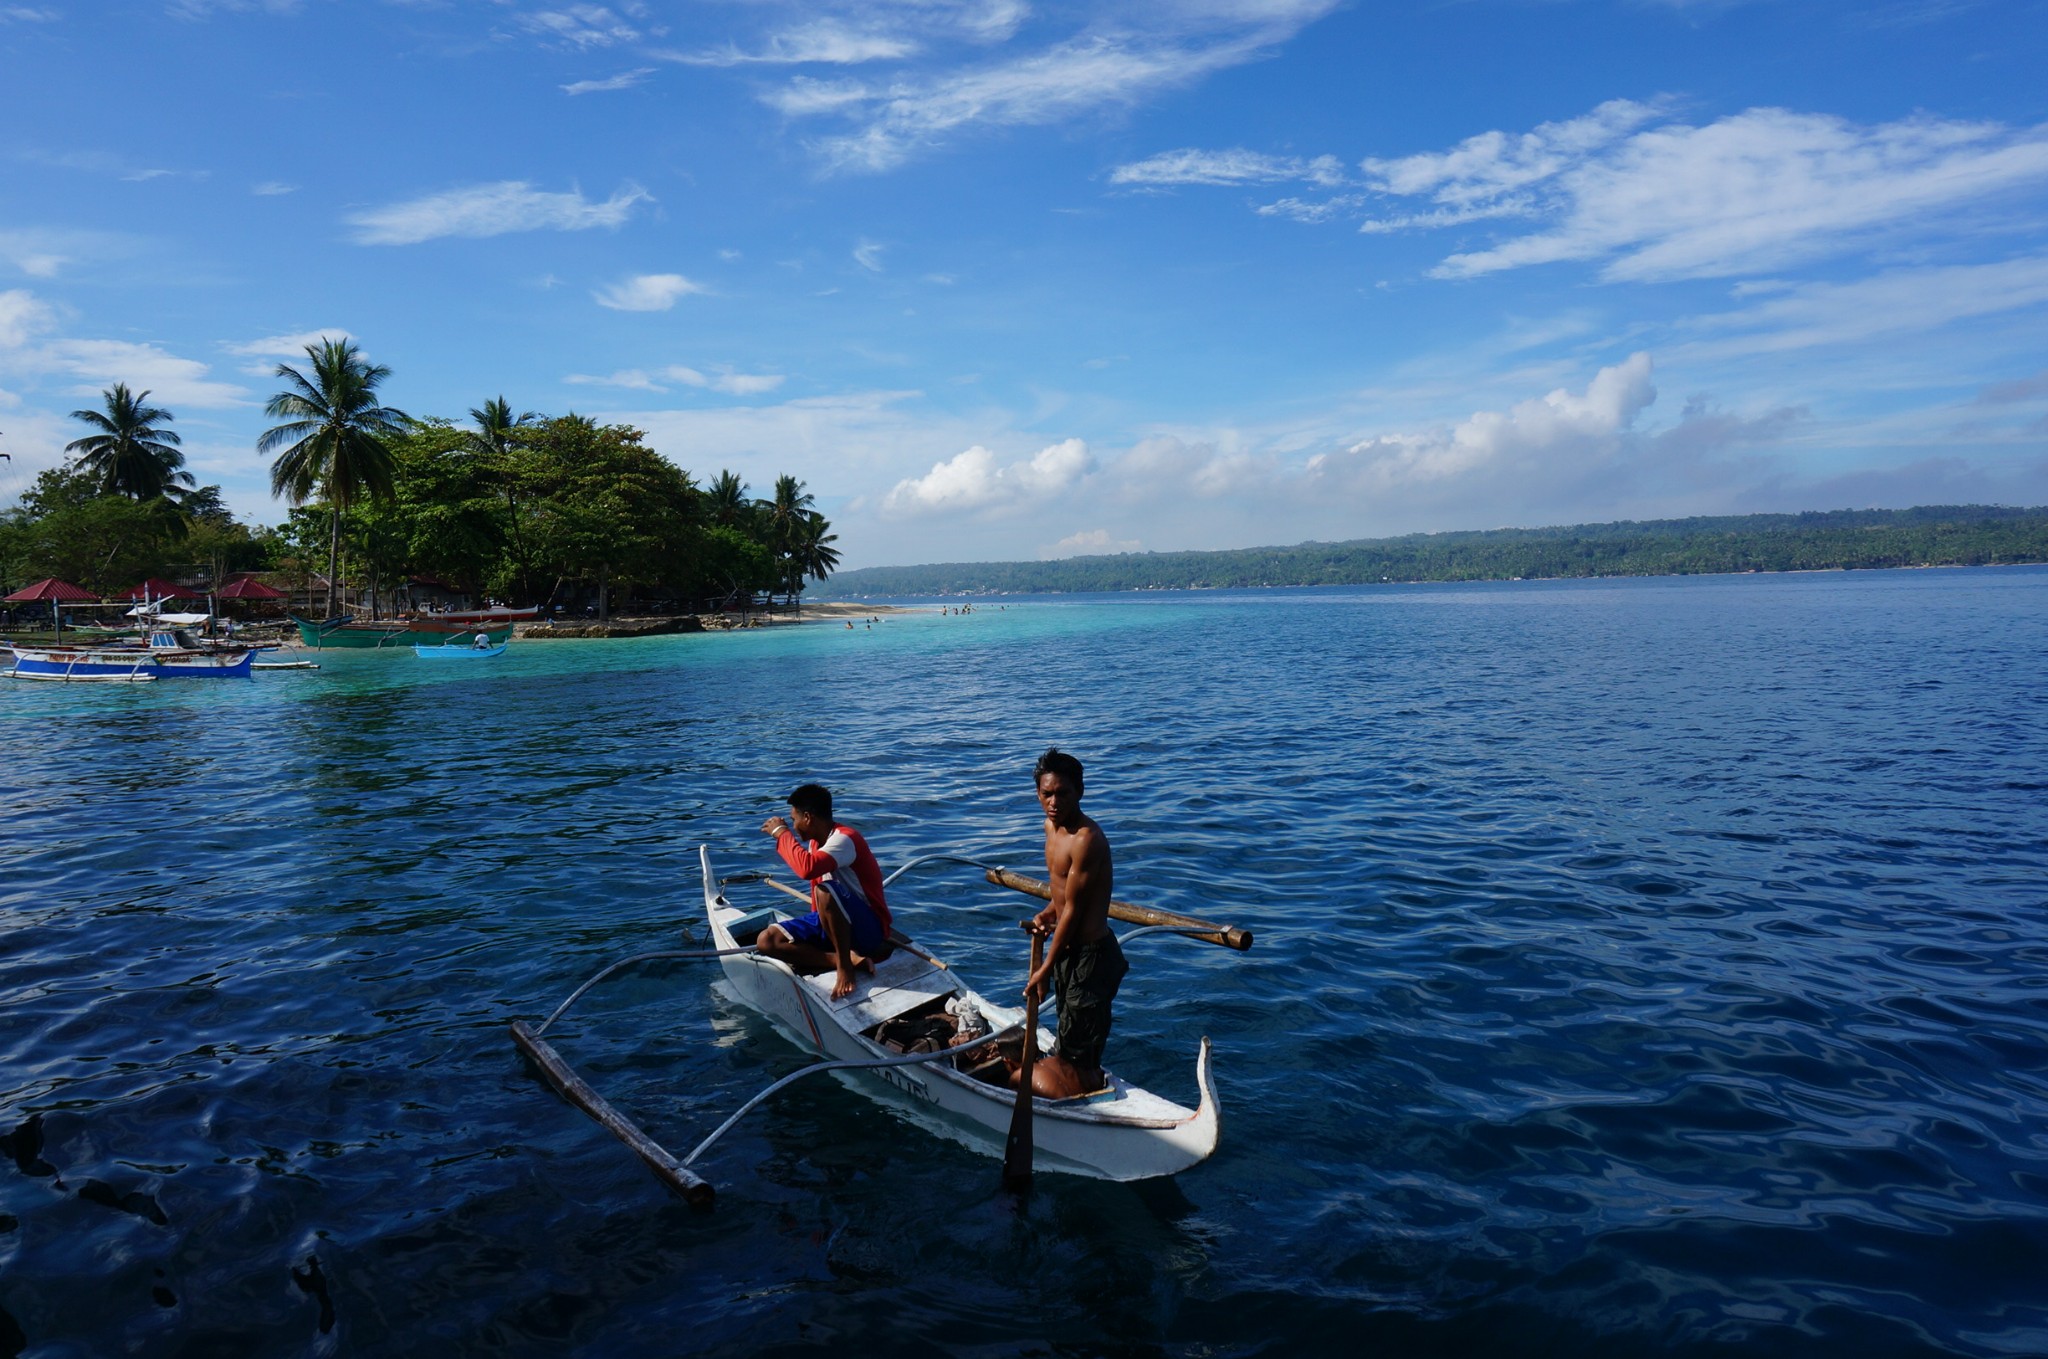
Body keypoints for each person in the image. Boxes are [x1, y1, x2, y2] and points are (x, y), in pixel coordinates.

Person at [1019, 747, 1127, 1098]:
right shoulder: (1050, 828)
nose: (1053, 802)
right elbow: (1063, 896)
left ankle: (1086, 1087)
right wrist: (1048, 912)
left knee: (1082, 1044)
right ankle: (1070, 1074)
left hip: (1090, 957)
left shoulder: (1087, 840)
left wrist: (1046, 966)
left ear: (1080, 791)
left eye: (1062, 793)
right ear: (1037, 793)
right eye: (1046, 794)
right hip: (1066, 948)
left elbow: (1076, 910)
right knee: (1069, 1029)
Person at [758, 784, 894, 999]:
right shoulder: (814, 842)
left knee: (825, 890)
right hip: (836, 927)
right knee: (767, 941)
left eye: (794, 819)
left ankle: (845, 968)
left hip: (868, 930)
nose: (793, 825)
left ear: (808, 818)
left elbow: (807, 868)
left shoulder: (844, 839)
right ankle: (843, 958)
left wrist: (781, 834)